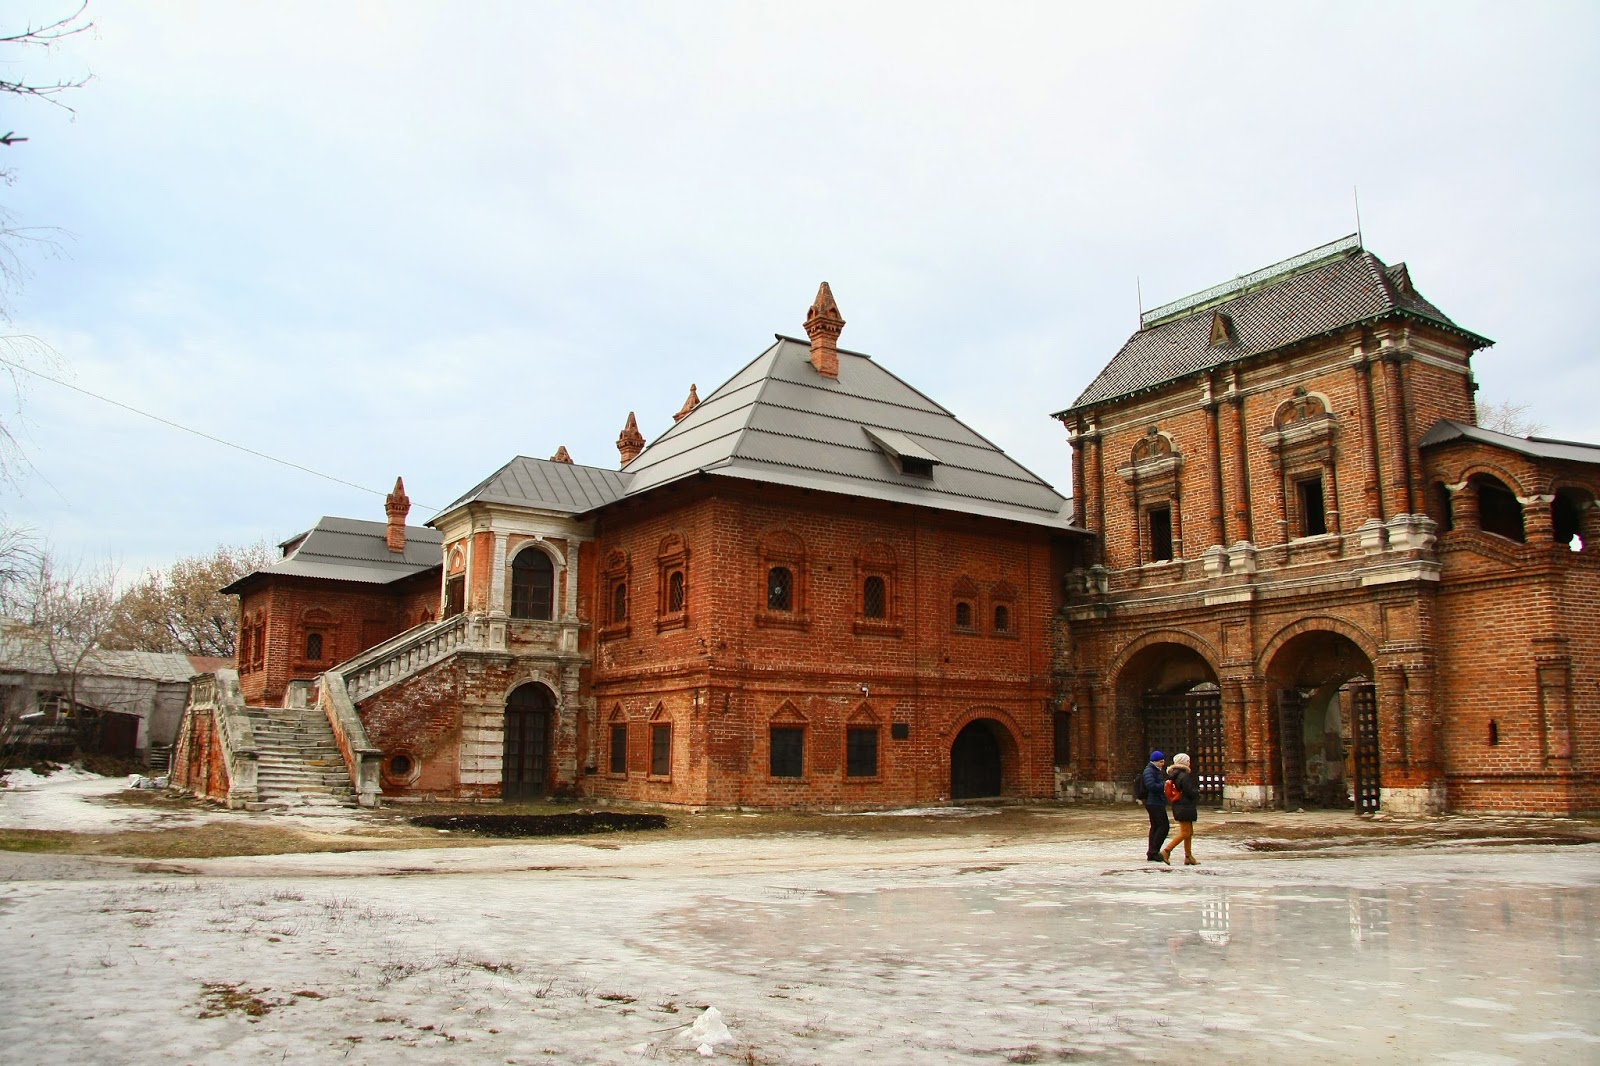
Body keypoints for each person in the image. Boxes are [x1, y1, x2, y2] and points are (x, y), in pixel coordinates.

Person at [1161, 752, 1201, 865]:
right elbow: (1188, 791)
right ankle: (1166, 851)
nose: (1189, 763)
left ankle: (1188, 856)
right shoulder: (1184, 776)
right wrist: (1197, 791)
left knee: (1189, 832)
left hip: (1180, 805)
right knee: (1185, 832)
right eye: (1188, 761)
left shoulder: (1175, 774)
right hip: (1185, 805)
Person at [1140, 750, 1168, 862]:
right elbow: (1151, 786)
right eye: (1160, 761)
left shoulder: (1154, 770)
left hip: (1155, 801)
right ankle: (1153, 851)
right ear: (1154, 761)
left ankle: (1152, 852)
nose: (1163, 764)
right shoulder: (1150, 771)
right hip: (1154, 802)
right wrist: (1164, 785)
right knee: (1163, 826)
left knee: (1156, 826)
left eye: (1163, 761)